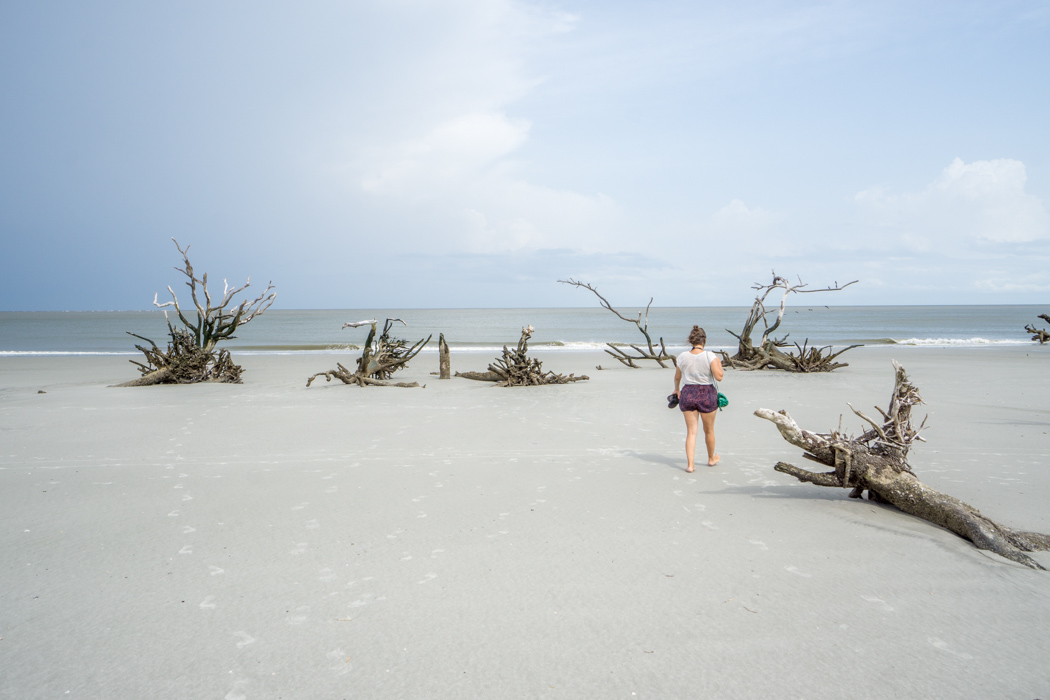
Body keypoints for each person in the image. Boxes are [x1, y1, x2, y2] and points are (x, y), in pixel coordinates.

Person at [672, 326, 724, 472]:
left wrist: (676, 389)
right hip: (707, 393)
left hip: (687, 392)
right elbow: (719, 377)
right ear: (704, 340)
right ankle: (711, 458)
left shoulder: (682, 356)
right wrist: (718, 363)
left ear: (691, 341)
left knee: (691, 432)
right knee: (709, 430)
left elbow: (677, 377)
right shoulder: (710, 356)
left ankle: (690, 465)